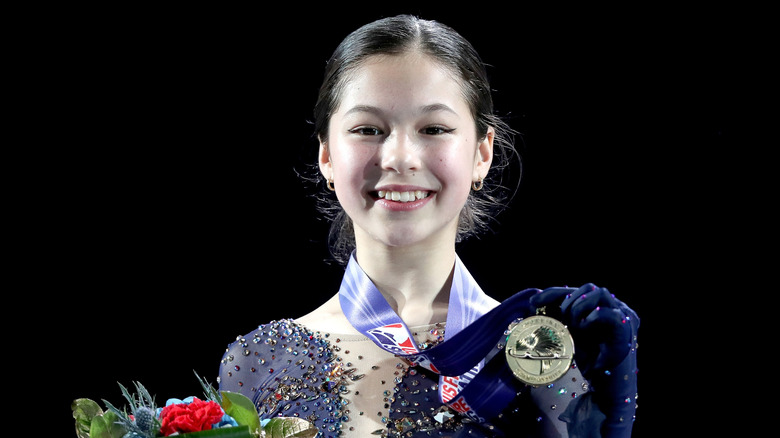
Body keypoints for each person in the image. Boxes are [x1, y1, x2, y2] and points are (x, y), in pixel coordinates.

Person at [218, 15, 638, 437]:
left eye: (434, 128)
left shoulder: (538, 353)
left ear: (482, 154)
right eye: (368, 129)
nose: (400, 158)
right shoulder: (260, 360)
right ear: (327, 156)